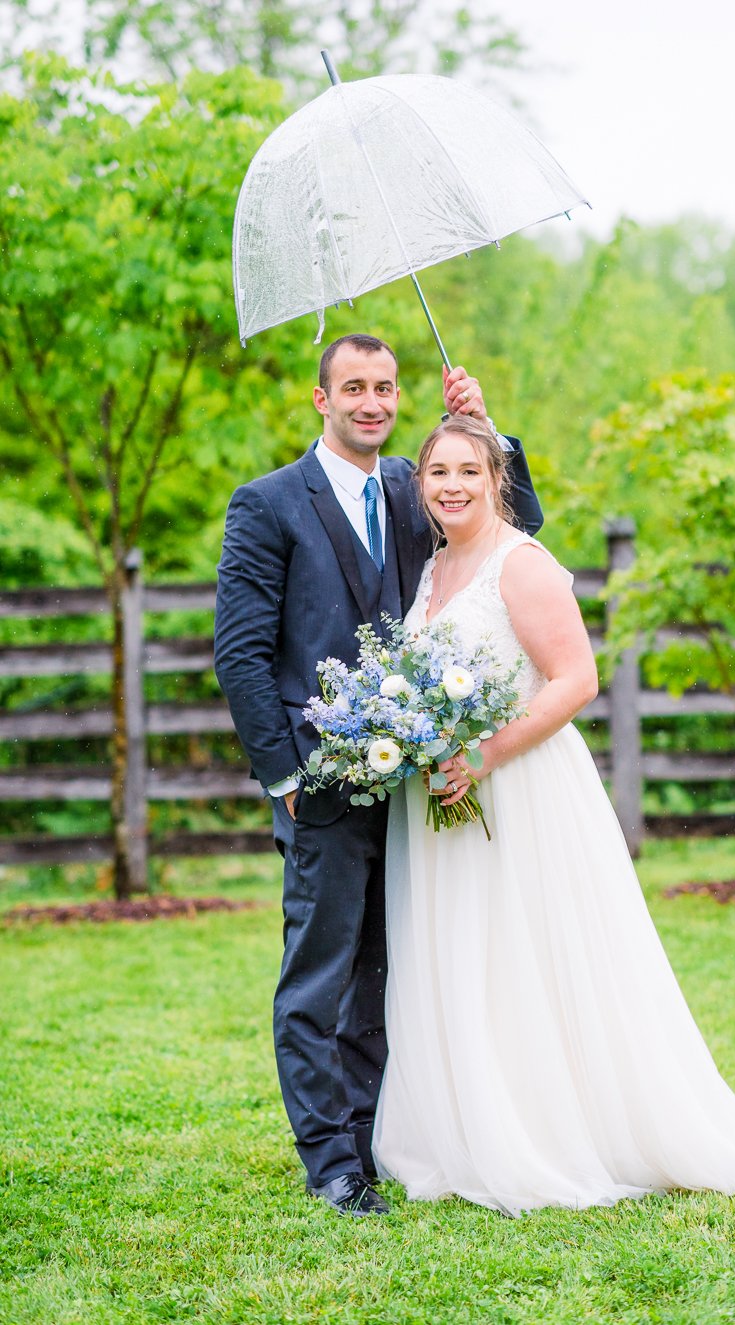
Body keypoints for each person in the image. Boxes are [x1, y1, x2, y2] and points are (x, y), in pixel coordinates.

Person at [372, 415, 735, 1216]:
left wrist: (486, 753)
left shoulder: (519, 564)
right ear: (419, 484)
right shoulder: (432, 570)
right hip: (442, 799)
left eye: (468, 470)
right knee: (467, 955)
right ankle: (471, 1127)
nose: (451, 485)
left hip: (520, 788)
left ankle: (555, 1131)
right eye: (436, 473)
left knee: (534, 953)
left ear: (498, 477)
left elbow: (575, 679)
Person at [213, 334, 542, 1218]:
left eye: (385, 387)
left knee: (387, 970)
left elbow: (520, 532)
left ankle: (369, 1141)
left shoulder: (411, 485)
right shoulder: (268, 504)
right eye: (353, 386)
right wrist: (282, 776)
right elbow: (240, 653)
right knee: (320, 972)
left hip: (411, 783)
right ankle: (328, 1162)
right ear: (321, 400)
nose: (371, 400)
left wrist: (485, 428)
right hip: (317, 783)